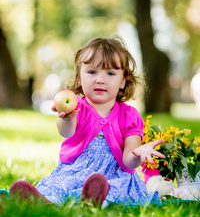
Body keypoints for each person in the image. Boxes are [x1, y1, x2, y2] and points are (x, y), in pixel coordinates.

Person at [9, 37, 165, 207]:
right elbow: (65, 132)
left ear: (123, 81)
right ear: (80, 76)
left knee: (114, 189)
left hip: (113, 175)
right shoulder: (77, 108)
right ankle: (47, 201)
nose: (100, 79)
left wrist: (138, 154)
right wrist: (67, 119)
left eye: (110, 73)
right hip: (76, 171)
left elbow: (128, 161)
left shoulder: (129, 115)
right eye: (92, 72)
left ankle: (96, 199)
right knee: (60, 185)